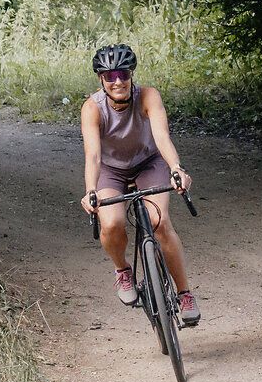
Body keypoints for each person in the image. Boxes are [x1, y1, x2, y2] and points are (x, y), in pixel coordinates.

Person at [80, 44, 201, 325]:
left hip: (149, 162)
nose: (118, 81)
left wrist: (176, 168)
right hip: (111, 170)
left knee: (160, 222)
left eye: (123, 74)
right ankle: (123, 270)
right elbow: (93, 155)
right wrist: (90, 191)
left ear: (131, 74)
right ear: (101, 79)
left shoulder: (148, 96)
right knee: (111, 223)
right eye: (110, 76)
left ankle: (184, 293)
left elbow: (162, 136)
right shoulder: (92, 108)